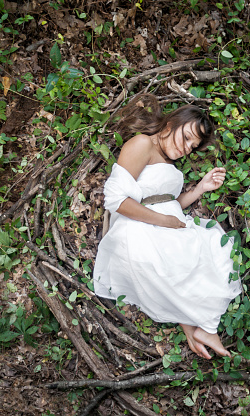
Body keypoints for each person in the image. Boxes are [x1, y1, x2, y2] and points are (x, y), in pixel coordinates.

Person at [93, 95, 241, 359]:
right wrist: (165, 222)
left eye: (193, 146)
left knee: (214, 255)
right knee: (192, 258)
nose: (187, 148)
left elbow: (171, 204)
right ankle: (205, 328)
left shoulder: (168, 163)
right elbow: (116, 200)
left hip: (165, 224)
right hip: (139, 227)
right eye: (186, 138)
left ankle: (197, 329)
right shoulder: (142, 144)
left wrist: (200, 188)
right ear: (172, 123)